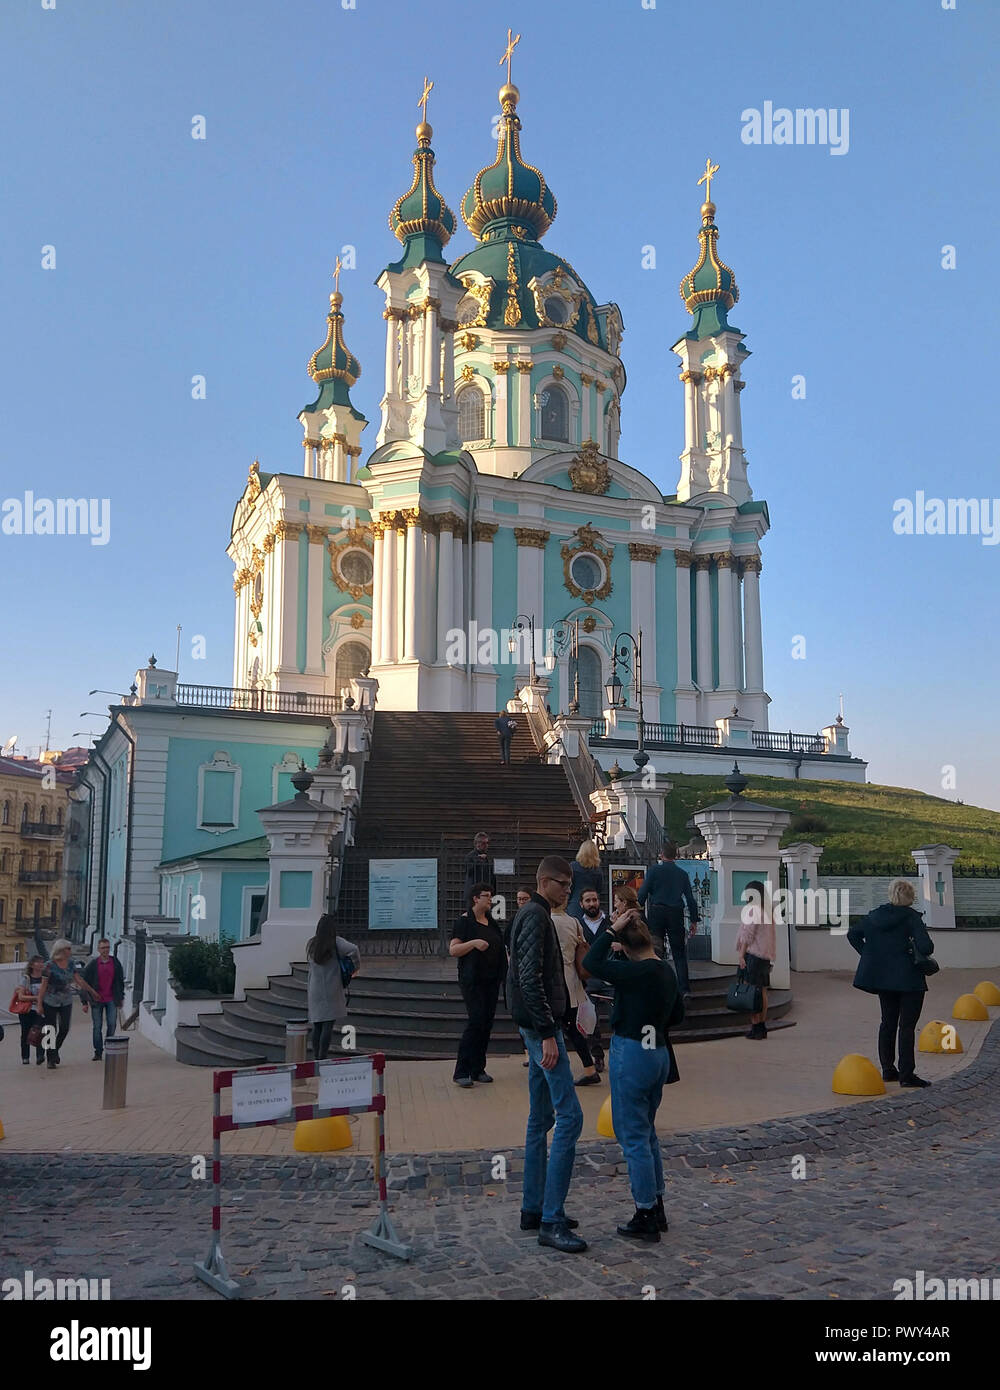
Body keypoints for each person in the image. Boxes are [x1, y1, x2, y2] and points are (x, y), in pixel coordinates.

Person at [582, 902, 682, 1243]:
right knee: (648, 1132)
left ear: (623, 945)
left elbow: (591, 963)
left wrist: (609, 931)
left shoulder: (635, 973)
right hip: (658, 1053)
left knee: (634, 1138)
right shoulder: (665, 970)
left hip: (633, 1052)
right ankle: (657, 1204)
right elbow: (678, 1015)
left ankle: (645, 1212)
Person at [508, 855, 586, 1253]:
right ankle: (551, 1219)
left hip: (537, 1025)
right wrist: (546, 1033)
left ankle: (532, 1208)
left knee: (540, 1119)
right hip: (543, 1027)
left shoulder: (532, 913)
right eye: (564, 885)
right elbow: (528, 978)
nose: (568, 892)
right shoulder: (536, 917)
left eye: (571, 887)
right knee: (570, 1117)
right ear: (545, 881)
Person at [848, 879, 935, 1087]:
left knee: (887, 1023)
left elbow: (852, 934)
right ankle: (907, 1075)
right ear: (911, 896)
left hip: (883, 979)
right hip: (909, 980)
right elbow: (926, 947)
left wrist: (870, 955)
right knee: (907, 1026)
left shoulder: (874, 916)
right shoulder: (912, 918)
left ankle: (888, 1069)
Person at [450, 882, 507, 1087]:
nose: (490, 899)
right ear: (475, 898)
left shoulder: (490, 922)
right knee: (475, 1022)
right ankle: (461, 1070)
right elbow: (454, 950)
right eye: (486, 896)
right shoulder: (464, 922)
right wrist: (473, 943)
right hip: (473, 981)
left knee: (486, 1024)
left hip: (491, 980)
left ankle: (478, 1068)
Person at [637, 845, 699, 998]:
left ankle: (656, 985)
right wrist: (694, 919)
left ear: (661, 855)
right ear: (676, 856)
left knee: (655, 949)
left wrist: (637, 911)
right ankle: (684, 989)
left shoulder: (653, 871)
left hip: (656, 912)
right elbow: (690, 899)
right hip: (675, 913)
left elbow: (643, 893)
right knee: (679, 952)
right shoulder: (682, 874)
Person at [550, 905, 600, 1087]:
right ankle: (589, 1068)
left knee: (559, 1027)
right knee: (571, 1026)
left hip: (557, 982)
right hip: (573, 981)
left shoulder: (548, 921)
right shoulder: (574, 921)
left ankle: (582, 1069)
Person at [35, 940, 100, 1068]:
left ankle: (54, 1052)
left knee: (64, 1028)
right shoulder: (49, 966)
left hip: (65, 1000)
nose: (71, 951)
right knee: (50, 1030)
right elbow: (43, 987)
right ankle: (50, 1059)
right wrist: (39, 1004)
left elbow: (79, 980)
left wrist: (92, 991)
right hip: (50, 1001)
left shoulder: (70, 964)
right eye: (68, 949)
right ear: (61, 950)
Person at [306, 915, 361, 1062]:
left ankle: (316, 1057)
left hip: (315, 990)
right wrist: (355, 967)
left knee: (317, 1025)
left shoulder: (312, 944)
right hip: (331, 990)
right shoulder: (335, 943)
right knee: (328, 1025)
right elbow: (354, 949)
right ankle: (323, 1057)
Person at [735, 880, 777, 1040]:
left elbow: (747, 935)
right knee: (762, 991)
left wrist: (741, 955)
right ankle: (762, 1026)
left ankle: (755, 1025)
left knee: (751, 992)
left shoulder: (753, 910)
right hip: (765, 956)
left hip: (753, 955)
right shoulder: (768, 911)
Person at [577, 888, 610, 1072]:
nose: (592, 904)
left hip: (609, 977)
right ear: (581, 904)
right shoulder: (577, 925)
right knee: (591, 1020)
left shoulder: (611, 923)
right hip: (588, 979)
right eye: (588, 901)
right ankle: (597, 1056)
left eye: (594, 900)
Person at [81, 938, 126, 1061]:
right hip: (97, 1000)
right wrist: (84, 1002)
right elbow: (84, 983)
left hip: (112, 998)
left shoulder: (115, 962)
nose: (105, 950)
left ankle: (109, 1046)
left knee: (112, 1024)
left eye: (107, 947)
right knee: (97, 1026)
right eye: (103, 948)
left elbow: (120, 981)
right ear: (98, 949)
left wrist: (121, 997)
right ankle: (98, 1051)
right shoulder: (93, 965)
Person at [13, 955, 46, 1065]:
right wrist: (37, 997)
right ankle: (25, 1057)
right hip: (27, 1010)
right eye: (38, 962)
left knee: (40, 1032)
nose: (41, 964)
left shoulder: (45, 978)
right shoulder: (26, 978)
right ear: (32, 965)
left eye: (42, 962)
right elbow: (21, 996)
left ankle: (40, 1056)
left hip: (41, 1009)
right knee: (26, 1033)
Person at [566, 839, 603, 924]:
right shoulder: (597, 870)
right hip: (592, 904)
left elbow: (569, 886)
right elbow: (599, 889)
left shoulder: (573, 867)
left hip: (575, 904)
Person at [462, 832, 496, 909]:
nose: (486, 845)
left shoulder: (488, 857)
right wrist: (478, 860)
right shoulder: (470, 856)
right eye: (484, 843)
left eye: (487, 843)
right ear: (477, 844)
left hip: (486, 893)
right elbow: (468, 871)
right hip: (474, 894)